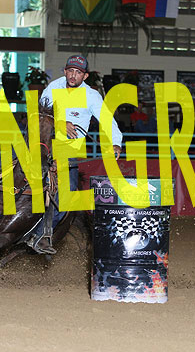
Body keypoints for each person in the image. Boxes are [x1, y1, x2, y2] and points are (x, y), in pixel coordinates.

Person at [30, 55, 123, 254]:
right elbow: (39, 115)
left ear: (85, 76)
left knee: (66, 198)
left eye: (78, 72)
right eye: (70, 71)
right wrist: (59, 123)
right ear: (65, 71)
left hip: (68, 149)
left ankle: (40, 235)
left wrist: (115, 143)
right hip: (43, 142)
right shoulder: (53, 87)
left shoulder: (91, 96)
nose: (73, 75)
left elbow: (107, 121)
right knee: (7, 159)